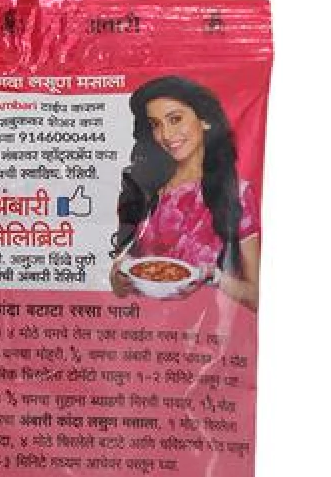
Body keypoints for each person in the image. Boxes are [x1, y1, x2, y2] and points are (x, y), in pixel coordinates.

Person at [110, 76, 260, 312]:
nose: (166, 135)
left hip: (202, 328)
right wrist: (117, 280)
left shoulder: (237, 194)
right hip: (139, 325)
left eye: (175, 119)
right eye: (155, 124)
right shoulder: (145, 187)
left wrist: (214, 276)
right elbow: (122, 278)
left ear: (205, 120)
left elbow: (257, 297)